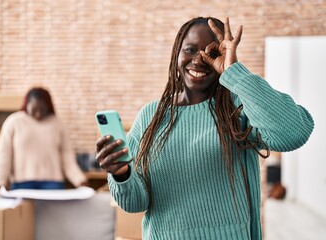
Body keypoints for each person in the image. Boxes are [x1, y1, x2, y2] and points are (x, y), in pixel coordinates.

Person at [96, 17, 314, 239]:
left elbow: (294, 133)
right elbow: (134, 203)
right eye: (190, 49)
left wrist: (233, 71)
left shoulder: (237, 107)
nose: (199, 60)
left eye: (211, 52)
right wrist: (120, 174)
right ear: (177, 55)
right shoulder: (151, 115)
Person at [0, 87, 87, 195]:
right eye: (34, 110)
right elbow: (4, 156)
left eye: (42, 110)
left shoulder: (58, 124)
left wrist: (79, 180)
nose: (38, 114)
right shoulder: (13, 122)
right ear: (27, 105)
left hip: (53, 184)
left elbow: (67, 157)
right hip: (22, 184)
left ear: (48, 107)